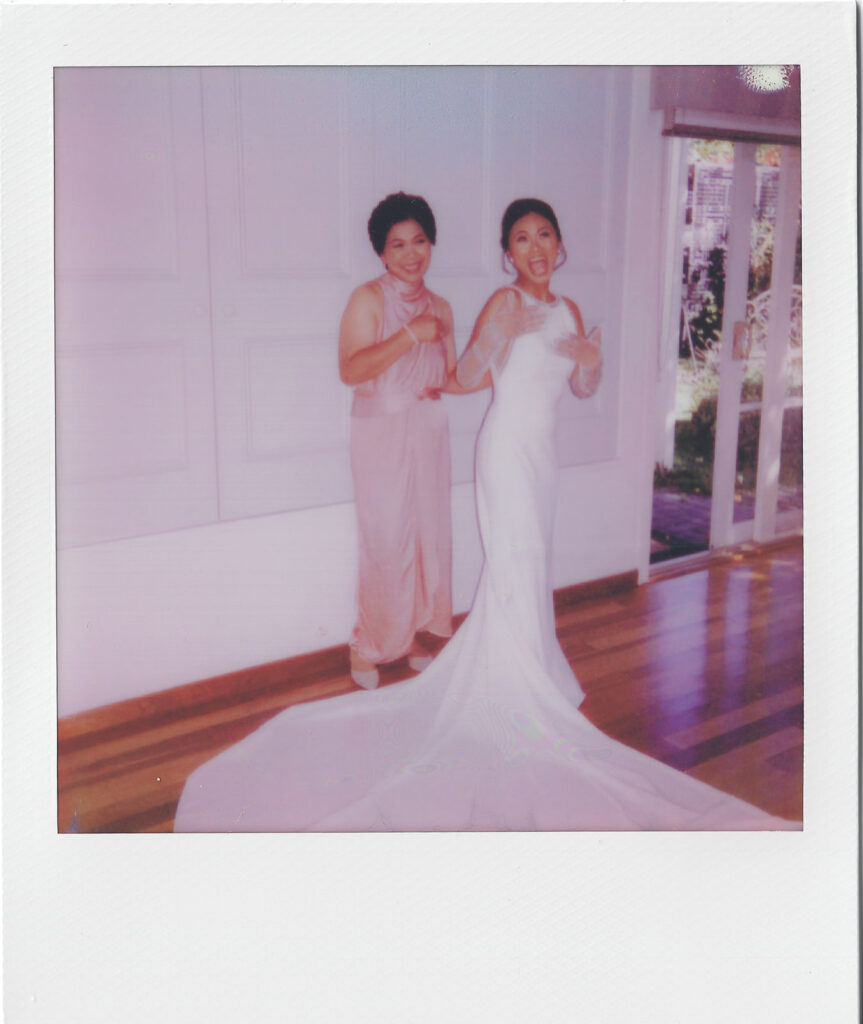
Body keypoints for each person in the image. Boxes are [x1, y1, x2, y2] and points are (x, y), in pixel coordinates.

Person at [174, 198, 798, 832]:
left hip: (543, 456)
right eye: (521, 238)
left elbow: (580, 388)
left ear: (560, 247)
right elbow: (470, 375)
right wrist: (501, 336)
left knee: (530, 565)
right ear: (507, 254)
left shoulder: (570, 309)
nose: (534, 247)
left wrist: (592, 363)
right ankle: (518, 687)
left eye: (545, 235)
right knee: (510, 560)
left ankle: (532, 669)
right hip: (504, 451)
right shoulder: (504, 305)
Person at [338, 193, 457, 690]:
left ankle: (409, 635)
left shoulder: (443, 306)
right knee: (386, 538)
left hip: (428, 428)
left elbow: (451, 374)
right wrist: (410, 334)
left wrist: (500, 357)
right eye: (399, 245)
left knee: (427, 536)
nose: (412, 254)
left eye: (420, 242)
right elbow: (351, 370)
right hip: (381, 431)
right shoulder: (368, 298)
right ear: (382, 253)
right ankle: (367, 644)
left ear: (432, 244)